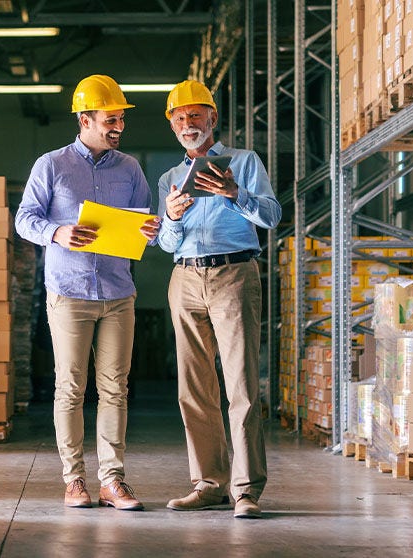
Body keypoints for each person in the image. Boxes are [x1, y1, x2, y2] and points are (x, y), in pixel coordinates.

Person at [15, 75, 160, 511]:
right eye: (110, 120)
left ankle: (112, 480)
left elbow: (147, 231)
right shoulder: (52, 165)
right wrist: (57, 231)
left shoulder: (130, 168)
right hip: (70, 291)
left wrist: (153, 230)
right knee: (71, 387)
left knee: (115, 388)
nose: (118, 128)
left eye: (120, 121)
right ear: (85, 119)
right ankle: (74, 479)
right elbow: (24, 219)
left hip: (118, 291)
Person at [156, 79, 281, 519]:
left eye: (196, 115)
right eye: (179, 117)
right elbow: (168, 244)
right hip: (185, 278)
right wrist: (171, 218)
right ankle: (209, 483)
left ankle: (245, 490)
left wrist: (234, 193)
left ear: (212, 118)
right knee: (193, 389)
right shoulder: (170, 178)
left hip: (233, 273)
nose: (188, 123)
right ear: (172, 126)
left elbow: (271, 214)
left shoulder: (244, 162)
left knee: (241, 386)